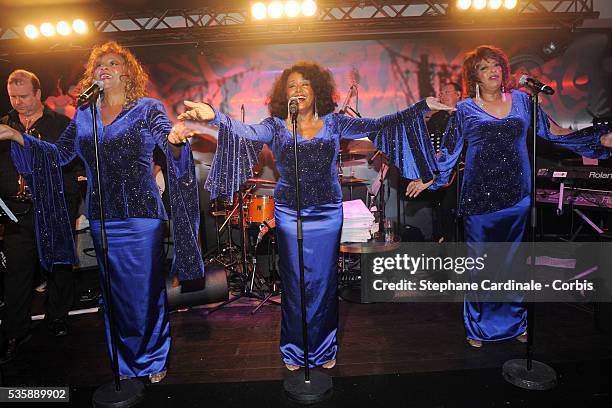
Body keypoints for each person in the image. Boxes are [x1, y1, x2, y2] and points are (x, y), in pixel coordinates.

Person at [177, 61, 450, 370]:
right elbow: (246, 130)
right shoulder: (276, 126)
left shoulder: (334, 123)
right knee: (294, 283)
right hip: (289, 214)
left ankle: (323, 348)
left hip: (326, 213)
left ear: (316, 89)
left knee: (323, 282)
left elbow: (381, 123)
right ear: (285, 94)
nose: (298, 89)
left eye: (304, 83)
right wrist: (214, 114)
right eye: (292, 85)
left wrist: (420, 107)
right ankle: (294, 349)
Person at [0, 41, 204, 382]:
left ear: (127, 71)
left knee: (144, 292)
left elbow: (166, 139)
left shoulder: (146, 108)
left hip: (140, 214)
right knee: (113, 294)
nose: (103, 68)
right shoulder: (85, 113)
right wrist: (17, 138)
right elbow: (59, 155)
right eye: (97, 65)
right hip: (101, 215)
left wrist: (176, 140)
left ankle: (152, 359)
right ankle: (124, 361)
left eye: (112, 62)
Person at [403, 45, 612, 348]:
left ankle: (514, 323)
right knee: (482, 264)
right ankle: (479, 327)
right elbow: (448, 154)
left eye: (497, 66)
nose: (493, 71)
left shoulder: (524, 101)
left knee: (514, 262)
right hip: (480, 197)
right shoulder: (463, 109)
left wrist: (599, 138)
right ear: (474, 75)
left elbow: (555, 133)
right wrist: (429, 177)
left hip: (517, 195)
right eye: (485, 67)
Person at [0, 70, 81, 365]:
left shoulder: (60, 125)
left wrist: (67, 208)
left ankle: (58, 318)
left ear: (38, 94)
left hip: (53, 208)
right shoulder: (3, 124)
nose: (18, 102)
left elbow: (70, 167)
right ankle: (14, 332)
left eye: (23, 96)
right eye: (12, 97)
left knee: (59, 266)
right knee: (17, 273)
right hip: (16, 211)